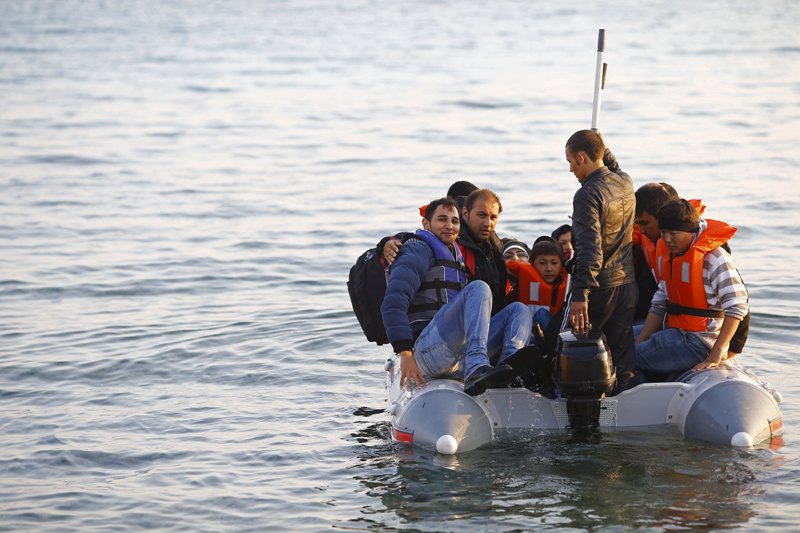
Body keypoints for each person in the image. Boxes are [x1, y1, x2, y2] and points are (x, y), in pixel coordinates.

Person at [380, 197, 533, 395]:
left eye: (454, 221)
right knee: (479, 288)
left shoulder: (455, 256)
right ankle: (476, 368)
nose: (449, 226)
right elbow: (392, 303)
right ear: (426, 224)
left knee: (519, 310)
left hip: (455, 354)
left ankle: (508, 371)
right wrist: (405, 353)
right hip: (425, 352)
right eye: (442, 220)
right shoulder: (417, 250)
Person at [635, 199, 749, 376]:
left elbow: (737, 306)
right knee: (618, 345)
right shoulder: (671, 256)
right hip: (674, 331)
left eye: (673, 233)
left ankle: (628, 401)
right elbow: (659, 305)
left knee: (627, 359)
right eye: (664, 233)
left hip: (700, 341)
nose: (667, 240)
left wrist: (717, 352)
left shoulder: (715, 259)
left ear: (692, 231)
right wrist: (639, 342)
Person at [563, 129, 639, 392]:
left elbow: (589, 249)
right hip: (627, 284)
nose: (571, 169)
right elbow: (613, 166)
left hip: (599, 287)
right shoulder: (625, 182)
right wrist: (602, 144)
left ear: (582, 158)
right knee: (622, 352)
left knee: (574, 347)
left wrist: (580, 294)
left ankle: (578, 404)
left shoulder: (586, 195)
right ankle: (628, 396)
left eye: (571, 161)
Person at [507, 240, 568, 331]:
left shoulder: (570, 286)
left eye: (554, 263)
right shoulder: (521, 285)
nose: (548, 269)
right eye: (542, 263)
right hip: (525, 332)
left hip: (556, 334)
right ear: (532, 264)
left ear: (561, 264)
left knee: (542, 314)